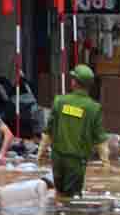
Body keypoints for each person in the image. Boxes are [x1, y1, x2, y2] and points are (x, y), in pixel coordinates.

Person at [38, 64, 110, 197]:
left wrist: (41, 152)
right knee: (72, 199)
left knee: (60, 194)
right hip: (76, 162)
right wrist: (105, 163)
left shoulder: (59, 102)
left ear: (74, 82)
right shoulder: (93, 108)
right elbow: (100, 138)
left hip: (57, 159)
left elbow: (48, 131)